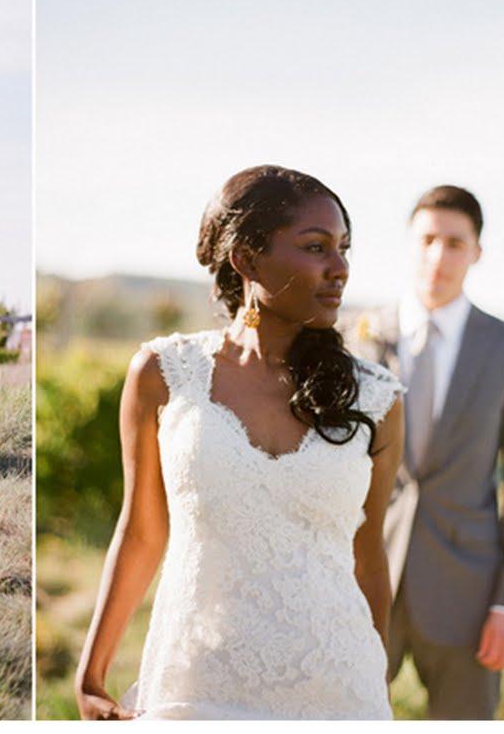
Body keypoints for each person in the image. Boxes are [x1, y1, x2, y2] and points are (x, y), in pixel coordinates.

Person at [75, 165, 404, 719]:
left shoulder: (376, 399)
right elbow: (140, 531)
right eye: (316, 246)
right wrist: (90, 674)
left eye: (344, 248)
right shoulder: (164, 374)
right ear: (247, 259)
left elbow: (369, 561)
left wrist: (375, 690)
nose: (340, 269)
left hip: (337, 692)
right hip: (197, 681)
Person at [356, 185, 504, 720]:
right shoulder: (358, 336)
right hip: (361, 584)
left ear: (477, 252)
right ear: (409, 244)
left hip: (469, 592)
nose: (438, 255)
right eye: (427, 239)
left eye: (455, 243)